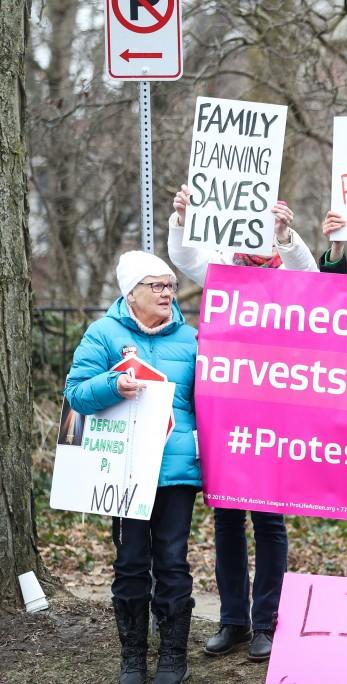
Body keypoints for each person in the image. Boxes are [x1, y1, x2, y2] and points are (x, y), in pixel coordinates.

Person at [168, 185, 316, 662]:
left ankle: (266, 624)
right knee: (228, 518)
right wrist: (182, 217)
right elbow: (183, 252)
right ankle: (234, 621)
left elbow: (312, 277)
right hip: (226, 412)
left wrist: (284, 236)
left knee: (269, 522)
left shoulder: (286, 267)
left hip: (274, 415)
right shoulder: (221, 268)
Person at [65, 251, 200, 684]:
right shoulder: (102, 334)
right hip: (124, 473)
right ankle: (133, 659)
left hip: (176, 470)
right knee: (130, 562)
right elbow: (76, 395)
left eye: (170, 285)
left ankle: (173, 657)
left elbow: (211, 404)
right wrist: (112, 384)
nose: (167, 293)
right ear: (131, 292)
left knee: (173, 562)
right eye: (156, 285)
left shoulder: (194, 338)